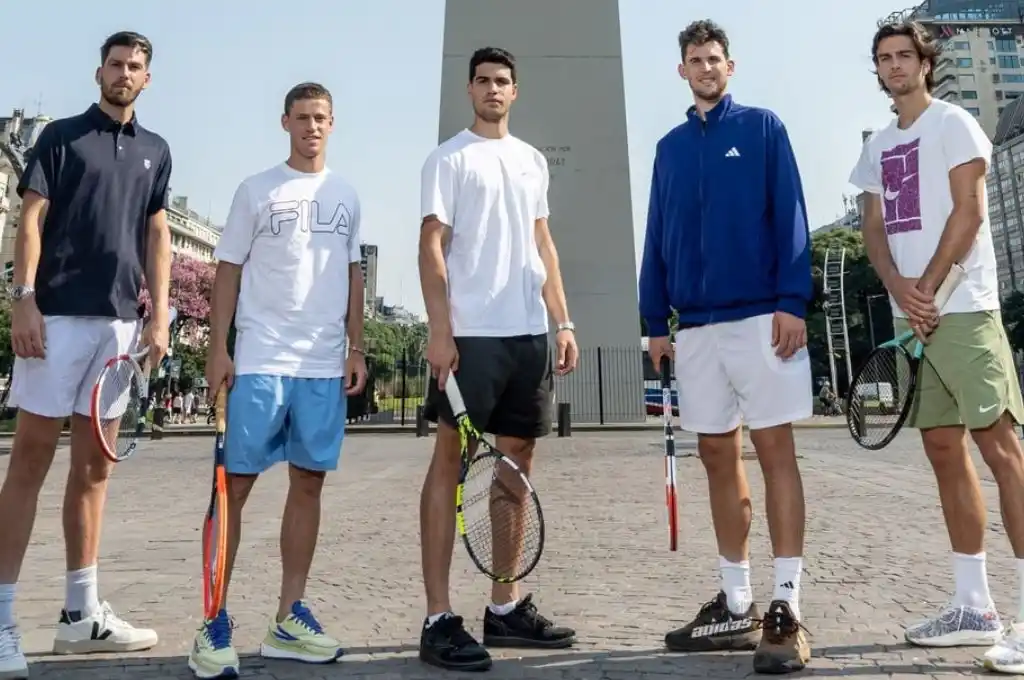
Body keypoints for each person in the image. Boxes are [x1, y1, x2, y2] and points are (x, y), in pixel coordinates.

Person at [638, 20, 814, 675]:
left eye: (715, 58)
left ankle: (786, 605)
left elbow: (791, 210)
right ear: (681, 70)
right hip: (696, 326)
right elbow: (657, 231)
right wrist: (654, 320)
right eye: (695, 59)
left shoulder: (764, 129)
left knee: (774, 452)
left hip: (763, 319)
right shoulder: (669, 148)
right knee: (716, 453)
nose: (706, 67)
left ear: (729, 67)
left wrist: (793, 300)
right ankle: (736, 601)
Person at [849, 20, 1024, 673]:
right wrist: (900, 289)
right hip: (915, 318)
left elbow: (970, 213)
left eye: (904, 56)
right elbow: (873, 230)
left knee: (1001, 450)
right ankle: (974, 607)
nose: (895, 66)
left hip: (964, 310)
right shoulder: (877, 148)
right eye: (884, 59)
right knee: (943, 448)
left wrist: (926, 290)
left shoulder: (952, 122)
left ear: (925, 62)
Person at [0, 31, 171, 680]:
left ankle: (81, 616)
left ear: (146, 79)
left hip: (120, 330)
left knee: (95, 471)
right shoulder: (60, 139)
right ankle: (2, 621)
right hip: (56, 320)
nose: (123, 74)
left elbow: (156, 231)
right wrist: (23, 297)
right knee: (29, 464)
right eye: (115, 64)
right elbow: (33, 219)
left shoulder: (157, 151)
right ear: (98, 71)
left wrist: (157, 320)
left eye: (135, 67)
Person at [191, 81, 367, 679]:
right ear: (285, 122)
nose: (312, 126)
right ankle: (213, 619)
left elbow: (353, 277)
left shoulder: (347, 194)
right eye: (302, 117)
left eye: (321, 118)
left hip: (321, 363)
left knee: (309, 483)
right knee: (233, 488)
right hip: (262, 357)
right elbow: (228, 269)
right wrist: (219, 347)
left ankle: (289, 616)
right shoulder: (255, 190)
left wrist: (357, 346)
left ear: (333, 123)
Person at [416, 46, 579, 672]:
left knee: (517, 463)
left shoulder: (533, 161)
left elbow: (544, 244)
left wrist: (561, 320)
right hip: (471, 335)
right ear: (470, 90)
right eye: (482, 80)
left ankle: (504, 607)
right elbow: (432, 247)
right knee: (449, 465)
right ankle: (437, 618)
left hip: (527, 334)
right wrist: (440, 330)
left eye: (502, 81)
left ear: (515, 92)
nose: (492, 88)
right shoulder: (448, 158)